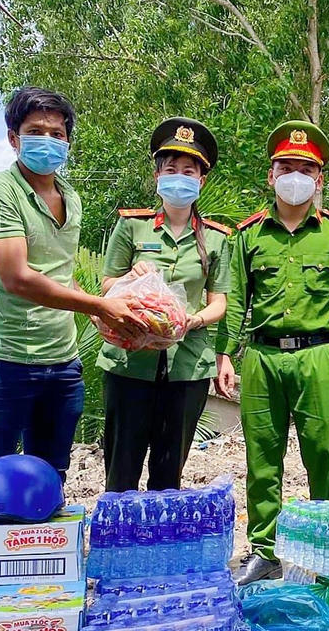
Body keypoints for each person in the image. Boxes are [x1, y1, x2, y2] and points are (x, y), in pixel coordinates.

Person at [213, 121, 329, 585]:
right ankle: (264, 550)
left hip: (317, 356)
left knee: (325, 455)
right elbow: (235, 298)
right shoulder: (249, 235)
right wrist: (224, 354)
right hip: (262, 356)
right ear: (271, 175)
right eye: (286, 166)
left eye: (305, 168)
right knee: (262, 460)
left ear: (318, 180)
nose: (295, 175)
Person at [0, 86, 145, 480]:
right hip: (8, 361)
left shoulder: (70, 196)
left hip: (62, 360)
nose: (48, 140)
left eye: (57, 133)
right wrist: (98, 306)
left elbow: (58, 271)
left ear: (68, 140)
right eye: (37, 131)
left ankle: (45, 542)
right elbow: (18, 277)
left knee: (52, 472)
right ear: (14, 138)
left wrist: (116, 294)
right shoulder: (2, 192)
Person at [97, 117, 232, 492]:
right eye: (171, 169)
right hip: (129, 362)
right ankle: (120, 545)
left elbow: (219, 300)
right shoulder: (132, 226)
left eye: (189, 171)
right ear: (157, 177)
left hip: (187, 365)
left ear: (201, 181)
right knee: (121, 465)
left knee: (169, 470)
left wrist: (193, 320)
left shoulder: (218, 239)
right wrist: (131, 280)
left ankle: (158, 545)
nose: (179, 177)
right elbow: (107, 283)